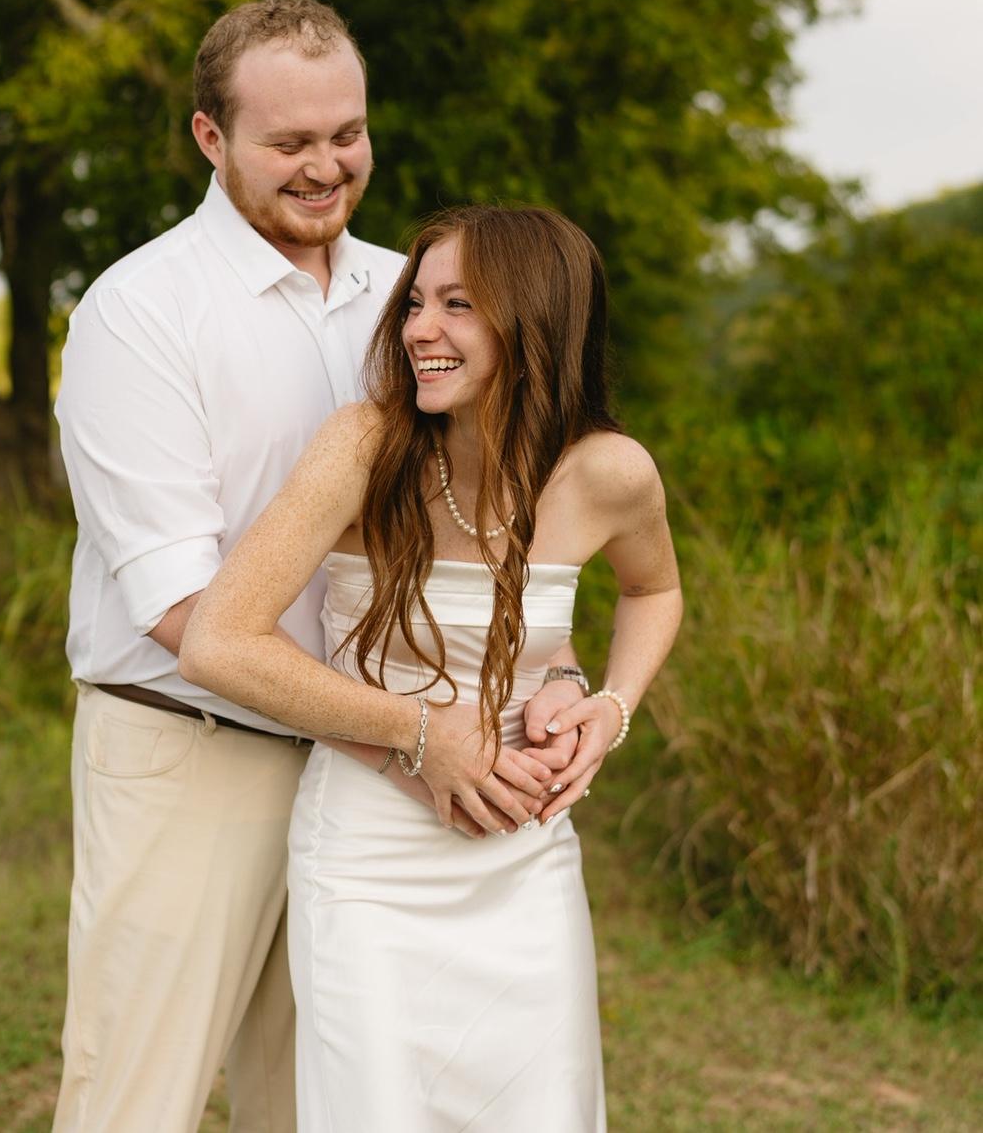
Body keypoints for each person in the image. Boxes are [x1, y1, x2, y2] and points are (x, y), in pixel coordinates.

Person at [52, 0, 587, 1133]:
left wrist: (561, 681)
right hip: (192, 751)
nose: (324, 165)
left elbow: (486, 530)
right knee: (135, 1097)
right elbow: (174, 606)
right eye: (287, 142)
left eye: (343, 133)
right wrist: (402, 732)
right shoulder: (138, 311)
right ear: (210, 137)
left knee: (326, 1103)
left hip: (369, 795)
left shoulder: (419, 296)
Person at [180, 204, 684, 1131]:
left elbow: (655, 594)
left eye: (457, 305)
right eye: (416, 302)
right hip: (370, 861)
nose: (418, 329)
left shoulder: (609, 473)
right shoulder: (363, 448)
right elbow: (220, 639)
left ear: (533, 318)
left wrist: (609, 708)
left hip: (522, 856)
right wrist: (419, 734)